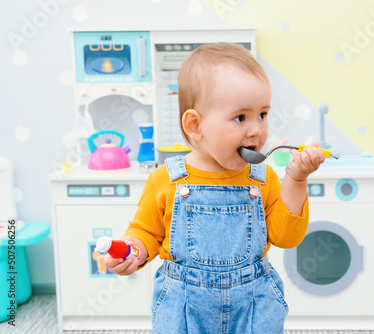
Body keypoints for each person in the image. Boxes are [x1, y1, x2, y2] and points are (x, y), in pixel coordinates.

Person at [104, 42, 326, 334]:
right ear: (195, 125)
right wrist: (134, 249)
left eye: (263, 114)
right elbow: (147, 231)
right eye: (240, 117)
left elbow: (287, 238)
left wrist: (296, 181)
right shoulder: (165, 180)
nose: (256, 130)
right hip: (183, 309)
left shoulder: (264, 178)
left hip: (253, 307)